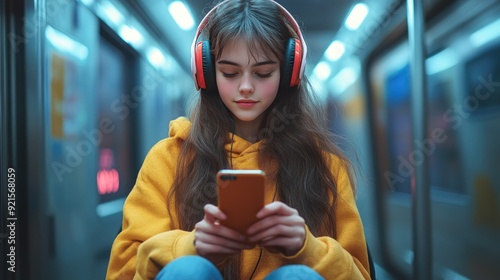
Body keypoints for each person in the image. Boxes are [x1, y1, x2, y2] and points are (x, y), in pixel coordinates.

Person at [106, 0, 371, 279]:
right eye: (230, 73)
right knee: (188, 270)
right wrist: (189, 247)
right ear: (206, 73)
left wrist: (308, 249)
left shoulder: (325, 166)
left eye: (263, 73)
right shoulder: (169, 158)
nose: (246, 87)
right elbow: (122, 272)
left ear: (289, 73)